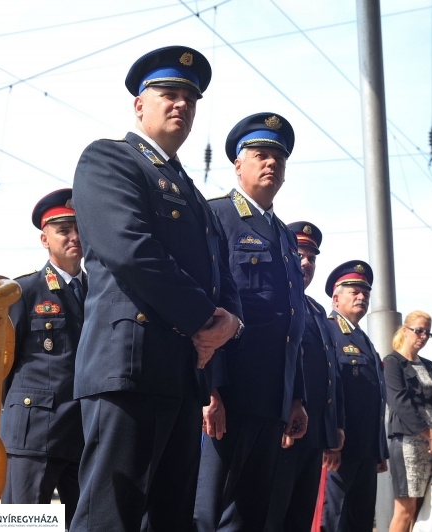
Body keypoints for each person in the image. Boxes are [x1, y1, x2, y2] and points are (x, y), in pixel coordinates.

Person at [70, 46, 243, 532]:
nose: (180, 105)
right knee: (110, 517)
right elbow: (130, 250)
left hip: (185, 375)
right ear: (138, 105)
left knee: (169, 519)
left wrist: (230, 322)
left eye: (190, 98)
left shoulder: (191, 192)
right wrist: (205, 321)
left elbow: (220, 273)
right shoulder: (110, 159)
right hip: (130, 367)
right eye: (168, 93)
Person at [193, 112, 307, 532]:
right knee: (208, 509)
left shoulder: (283, 236)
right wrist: (212, 390)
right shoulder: (217, 217)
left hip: (272, 396)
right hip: (229, 393)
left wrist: (296, 396)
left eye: (279, 157)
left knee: (251, 513)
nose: (271, 163)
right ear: (238, 164)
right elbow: (209, 306)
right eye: (260, 154)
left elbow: (292, 323)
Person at [0, 189, 85, 528]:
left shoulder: (98, 293)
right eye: (64, 229)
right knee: (24, 524)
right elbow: (3, 364)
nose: (74, 236)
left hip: (83, 434)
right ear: (44, 239)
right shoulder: (23, 292)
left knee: (85, 522)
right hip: (34, 435)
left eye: (79, 228)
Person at [263, 221, 345, 532]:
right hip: (282, 431)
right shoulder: (274, 300)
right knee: (273, 516)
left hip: (310, 434)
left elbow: (327, 375)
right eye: (299, 253)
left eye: (312, 256)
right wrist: (282, 414)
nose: (306, 262)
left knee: (299, 518)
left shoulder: (314, 309)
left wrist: (332, 427)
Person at [321, 260, 389, 532]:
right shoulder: (327, 330)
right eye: (354, 291)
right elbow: (326, 387)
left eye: (366, 292)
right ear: (336, 298)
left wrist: (378, 448)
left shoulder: (364, 340)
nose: (362, 296)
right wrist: (330, 439)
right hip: (340, 447)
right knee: (333, 520)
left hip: (364, 450)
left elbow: (376, 398)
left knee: (359, 522)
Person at [384, 311, 432, 532]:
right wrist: (431, 436)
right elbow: (400, 403)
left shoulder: (428, 365)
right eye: (419, 330)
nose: (423, 336)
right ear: (405, 330)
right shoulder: (392, 363)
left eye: (427, 333)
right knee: (406, 510)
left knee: (424, 509)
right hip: (408, 443)